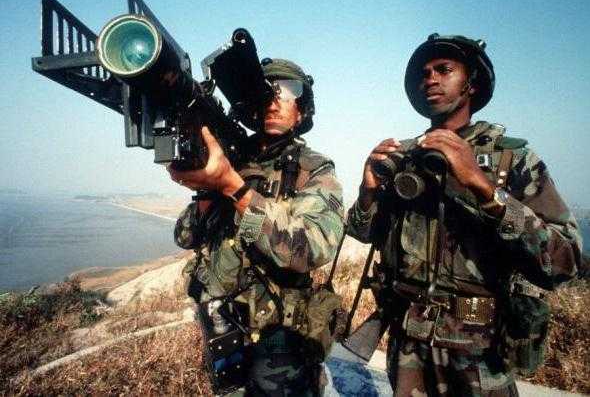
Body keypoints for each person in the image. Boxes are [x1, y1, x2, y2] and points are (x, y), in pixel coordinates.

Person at [347, 34, 582, 396]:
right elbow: (364, 233)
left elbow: (566, 261)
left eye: (444, 70)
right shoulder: (405, 157)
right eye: (425, 73)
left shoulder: (511, 159)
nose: (431, 79)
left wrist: (484, 188)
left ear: (471, 83)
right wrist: (367, 192)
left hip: (479, 351)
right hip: (409, 345)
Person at [170, 58, 345, 396]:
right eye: (266, 92)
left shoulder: (314, 170)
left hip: (278, 336)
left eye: (288, 92)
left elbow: (310, 249)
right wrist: (208, 192)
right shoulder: (231, 160)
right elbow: (185, 236)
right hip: (221, 323)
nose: (275, 102)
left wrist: (235, 190)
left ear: (302, 112)